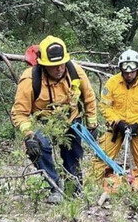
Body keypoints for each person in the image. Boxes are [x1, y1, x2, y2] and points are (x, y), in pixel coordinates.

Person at [11, 35, 97, 204]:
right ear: (43, 65)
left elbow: (89, 97)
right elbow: (19, 112)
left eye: (61, 64)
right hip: (44, 122)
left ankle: (74, 186)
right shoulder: (30, 80)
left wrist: (92, 123)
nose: (58, 69)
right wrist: (29, 135)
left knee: (73, 155)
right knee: (38, 147)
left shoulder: (75, 72)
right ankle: (53, 186)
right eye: (53, 66)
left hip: (71, 120)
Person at [94, 49, 138, 193]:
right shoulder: (112, 83)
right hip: (116, 129)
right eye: (125, 72)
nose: (129, 75)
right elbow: (104, 105)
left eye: (132, 72)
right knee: (100, 160)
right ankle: (91, 188)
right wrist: (117, 122)